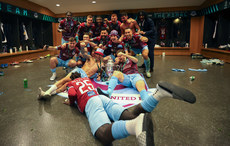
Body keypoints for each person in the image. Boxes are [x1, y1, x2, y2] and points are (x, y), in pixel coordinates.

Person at [63, 71, 196, 146]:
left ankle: (133, 126)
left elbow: (73, 94)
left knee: (103, 134)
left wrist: (70, 102)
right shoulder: (86, 80)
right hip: (102, 98)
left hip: (91, 102)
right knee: (131, 115)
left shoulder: (71, 83)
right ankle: (158, 94)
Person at [38, 48, 106, 98]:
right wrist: (82, 46)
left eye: (99, 55)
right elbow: (83, 53)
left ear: (101, 56)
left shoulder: (101, 64)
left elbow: (101, 73)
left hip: (84, 78)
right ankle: (47, 92)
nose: (98, 56)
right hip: (79, 71)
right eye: (97, 54)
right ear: (95, 54)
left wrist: (99, 75)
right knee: (64, 80)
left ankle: (50, 93)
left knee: (67, 84)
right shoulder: (90, 58)